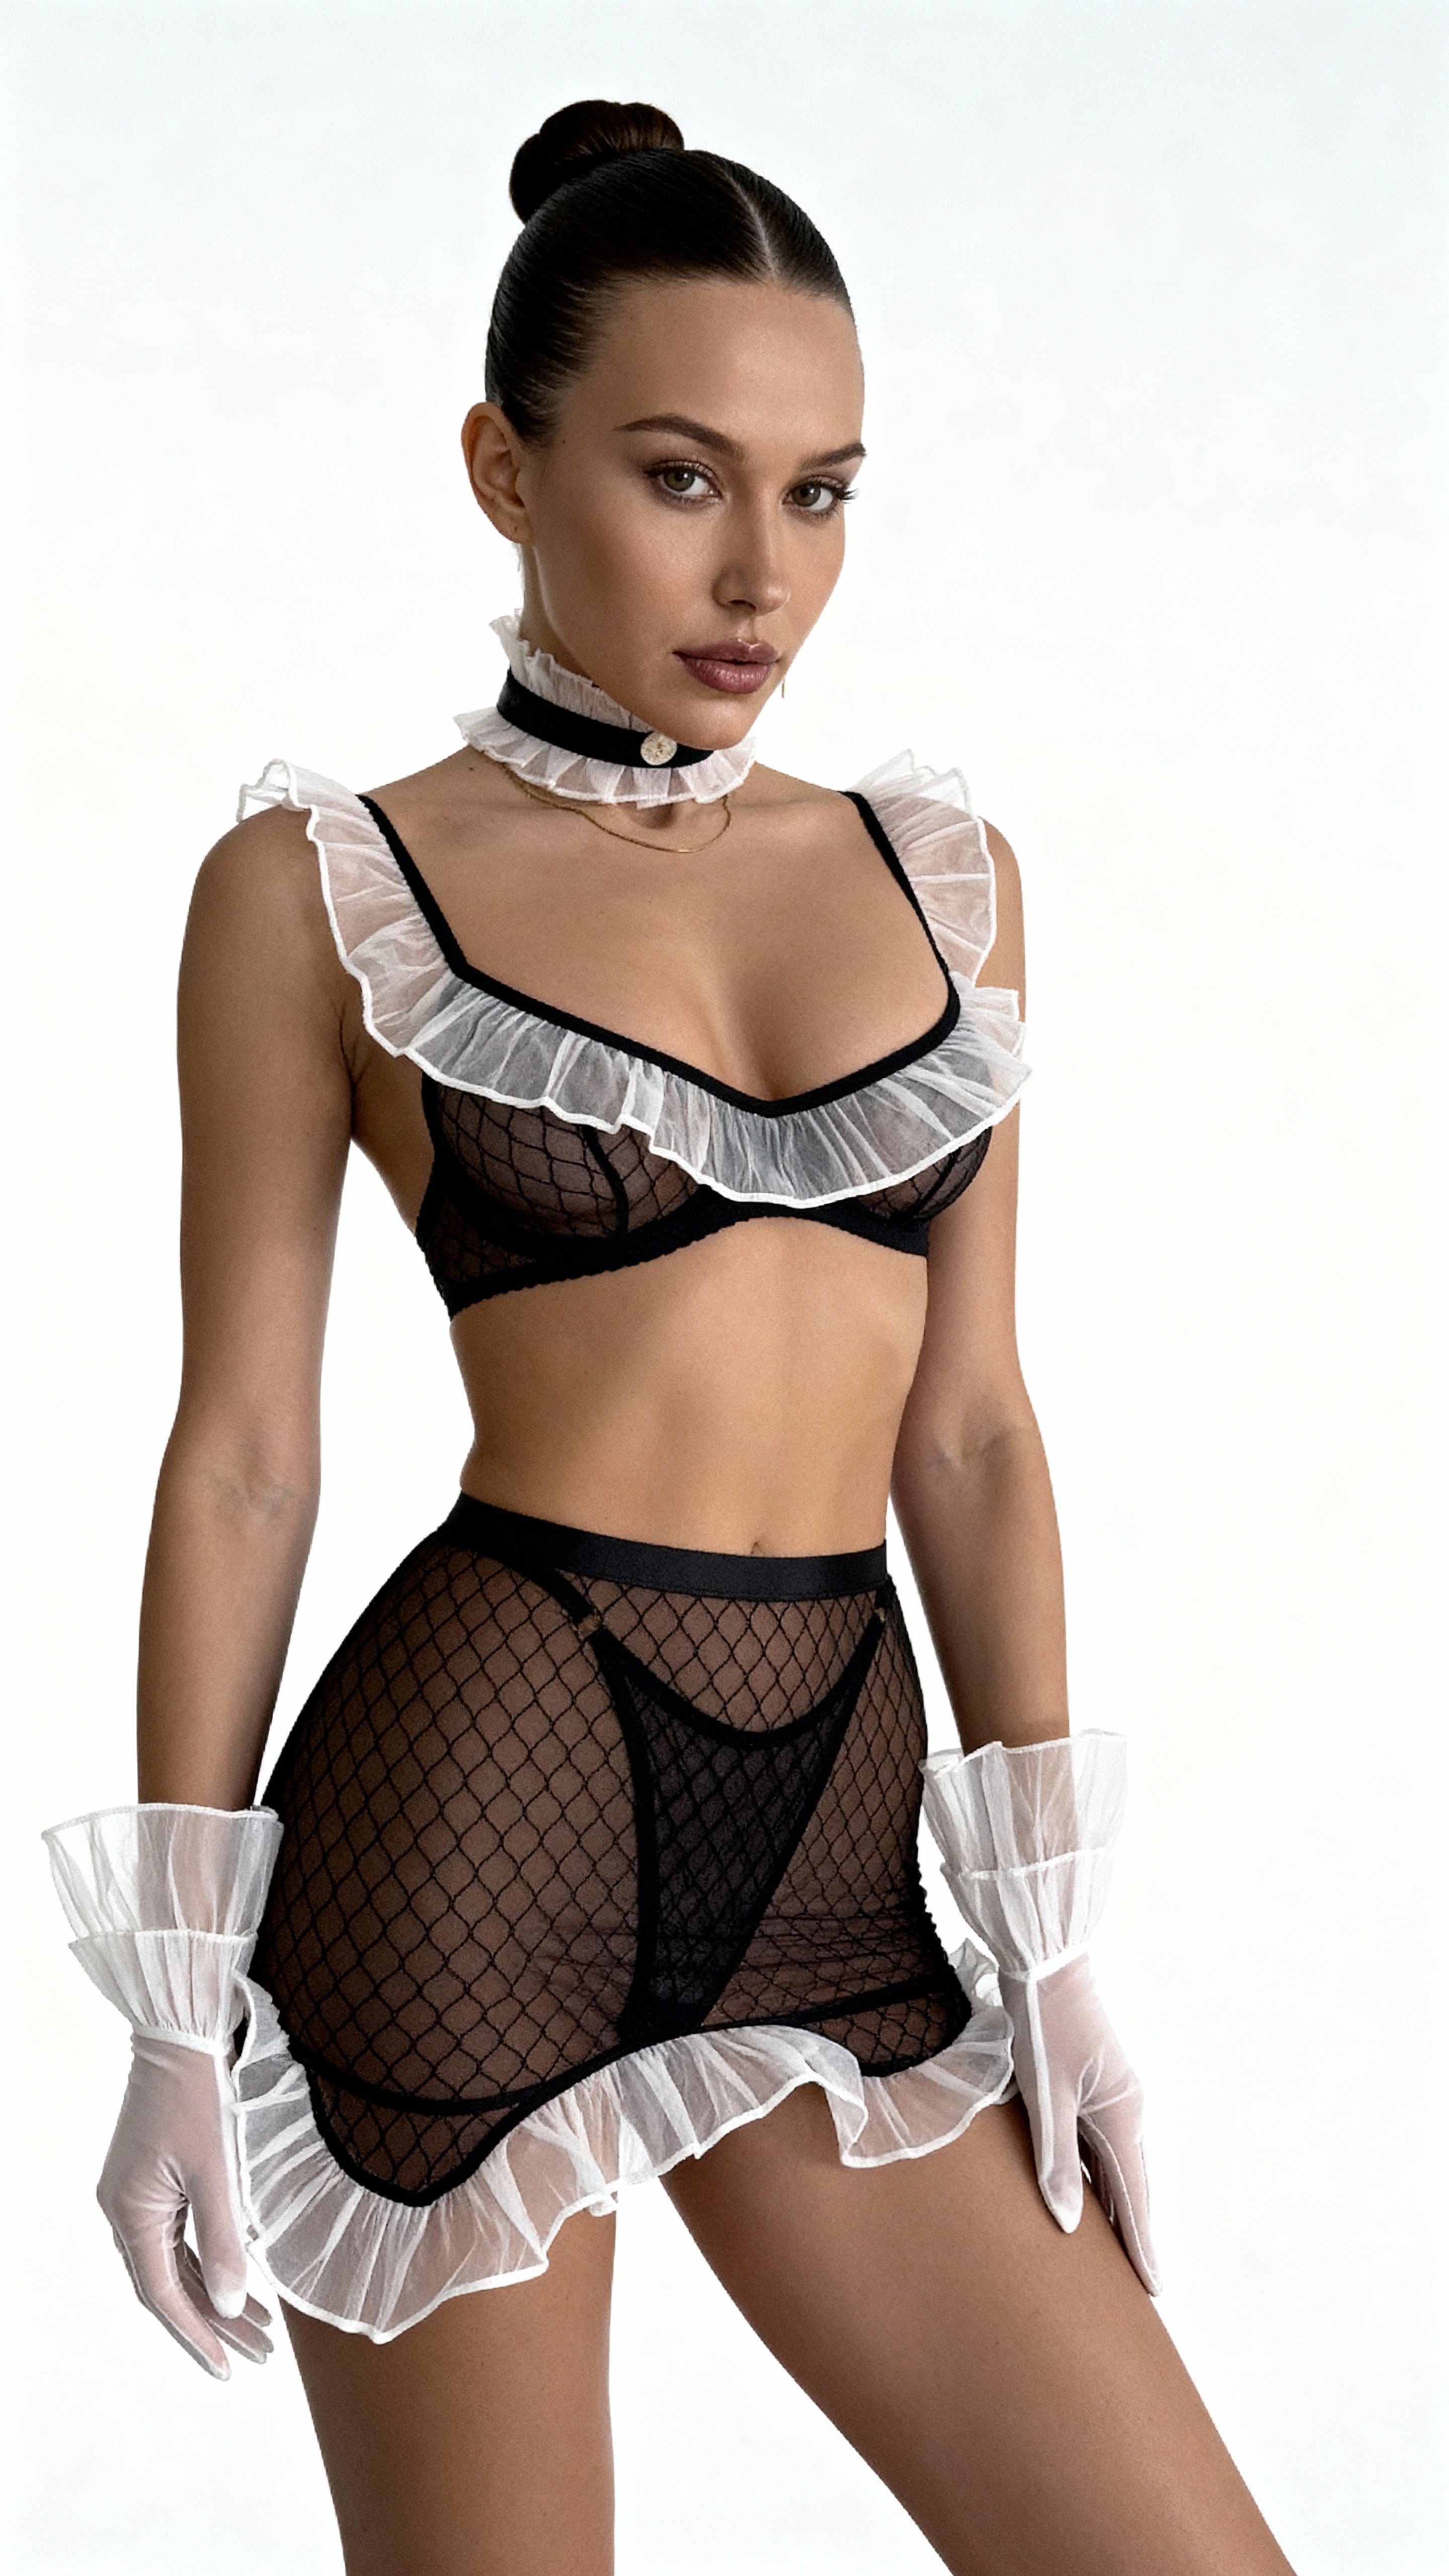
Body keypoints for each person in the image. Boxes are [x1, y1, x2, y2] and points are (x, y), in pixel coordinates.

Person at [44, 99, 1295, 2576]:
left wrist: (1050, 1941)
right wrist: (173, 2000)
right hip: (463, 1828)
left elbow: (971, 1432)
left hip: (838, 1826)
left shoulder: (943, 878)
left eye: (822, 494)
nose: (762, 576)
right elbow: (247, 1452)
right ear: (504, 469)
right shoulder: (324, 889)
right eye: (683, 478)